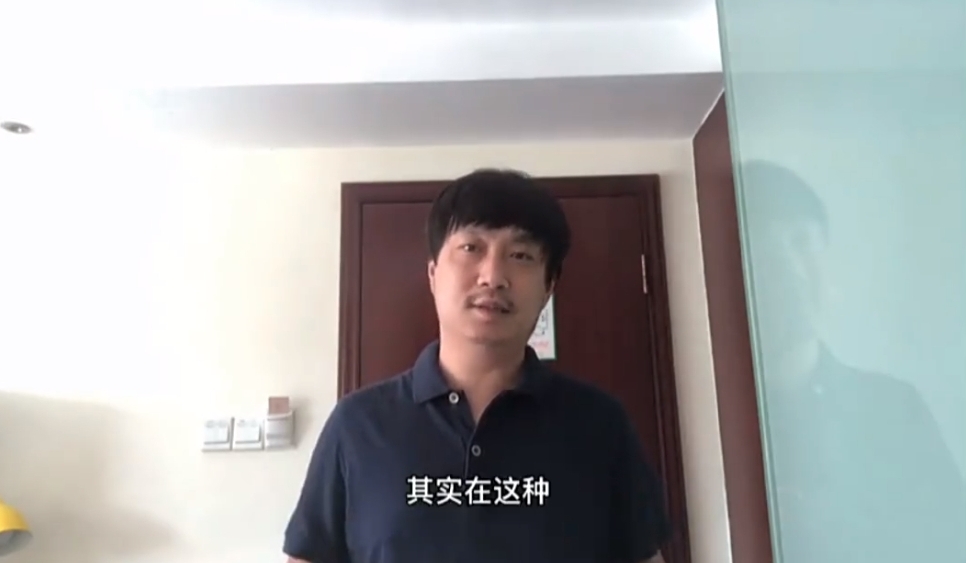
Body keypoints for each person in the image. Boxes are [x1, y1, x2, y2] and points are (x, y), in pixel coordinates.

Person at [282, 169, 672, 563]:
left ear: (548, 287)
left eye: (520, 255)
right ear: (433, 274)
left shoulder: (600, 425)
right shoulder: (358, 425)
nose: (493, 276)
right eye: (471, 248)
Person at [741, 161, 966, 563]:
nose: (793, 273)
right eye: (767, 252)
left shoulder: (894, 407)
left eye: (803, 244)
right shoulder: (714, 414)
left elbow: (949, 535)